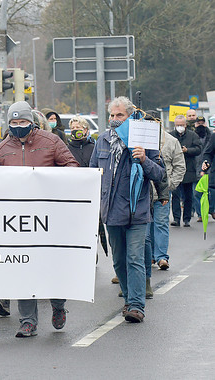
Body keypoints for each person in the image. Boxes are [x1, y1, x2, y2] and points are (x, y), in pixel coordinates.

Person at [0, 101, 78, 337]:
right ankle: (28, 321)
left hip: (48, 217)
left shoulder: (51, 142)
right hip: (17, 220)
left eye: (23, 122)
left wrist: (50, 182)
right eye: (14, 122)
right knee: (23, 268)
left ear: (31, 122)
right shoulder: (2, 150)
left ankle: (58, 304)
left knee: (51, 267)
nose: (19, 126)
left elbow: (72, 166)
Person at [89, 96, 164, 323]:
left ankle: (136, 306)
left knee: (134, 258)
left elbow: (160, 174)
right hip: (111, 212)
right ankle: (129, 298)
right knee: (119, 261)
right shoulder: (102, 140)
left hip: (137, 212)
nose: (114, 119)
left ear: (130, 115)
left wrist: (144, 160)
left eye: (119, 115)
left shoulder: (144, 139)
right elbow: (92, 172)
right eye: (111, 115)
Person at [143, 110, 185, 295]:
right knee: (146, 227)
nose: (150, 124)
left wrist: (169, 187)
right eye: (147, 122)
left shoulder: (170, 141)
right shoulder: (139, 140)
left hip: (162, 193)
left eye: (153, 121)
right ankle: (150, 256)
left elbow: (179, 166)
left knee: (160, 224)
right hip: (143, 193)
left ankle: (161, 257)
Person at [170, 115, 201, 227]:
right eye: (178, 125)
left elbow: (198, 149)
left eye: (182, 125)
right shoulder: (170, 135)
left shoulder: (193, 135)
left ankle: (187, 218)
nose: (180, 127)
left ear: (185, 124)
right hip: (174, 170)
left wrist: (187, 150)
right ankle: (176, 218)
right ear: (175, 125)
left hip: (189, 169)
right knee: (175, 195)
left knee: (188, 196)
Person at [193, 116, 211, 222]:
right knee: (196, 193)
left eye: (202, 123)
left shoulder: (211, 136)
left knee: (209, 193)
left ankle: (210, 210)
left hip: (208, 169)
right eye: (198, 123)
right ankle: (200, 214)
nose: (200, 125)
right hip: (195, 169)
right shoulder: (192, 136)